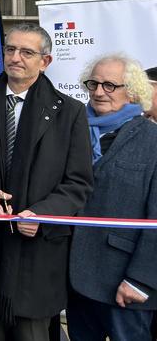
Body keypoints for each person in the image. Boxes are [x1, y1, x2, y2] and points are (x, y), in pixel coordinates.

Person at [0, 22, 93, 341]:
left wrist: (43, 214)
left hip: (37, 261)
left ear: (45, 62)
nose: (15, 57)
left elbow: (79, 182)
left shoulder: (69, 112)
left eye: (26, 52)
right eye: (10, 49)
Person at [67, 55, 157, 341]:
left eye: (109, 85)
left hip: (125, 285)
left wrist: (140, 280)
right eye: (93, 83)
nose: (98, 91)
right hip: (75, 279)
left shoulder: (152, 140)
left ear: (132, 91)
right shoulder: (73, 130)